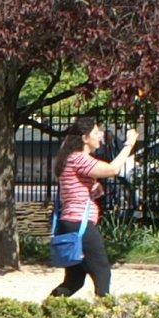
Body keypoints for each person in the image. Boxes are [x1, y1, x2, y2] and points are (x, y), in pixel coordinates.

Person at [50, 117, 137, 298]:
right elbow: (113, 169)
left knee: (74, 279)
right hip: (79, 224)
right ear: (84, 137)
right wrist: (129, 144)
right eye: (96, 133)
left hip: (70, 222)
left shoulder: (70, 158)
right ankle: (103, 316)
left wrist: (93, 190)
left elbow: (75, 188)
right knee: (102, 271)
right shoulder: (78, 158)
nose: (101, 136)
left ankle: (47, 313)